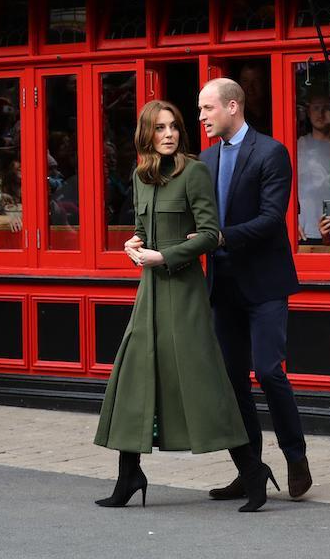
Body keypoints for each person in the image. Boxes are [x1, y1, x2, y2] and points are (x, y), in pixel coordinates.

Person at [96, 100, 274, 512]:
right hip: (150, 294)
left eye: (174, 126)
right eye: (160, 128)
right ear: (147, 135)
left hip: (186, 293)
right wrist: (133, 246)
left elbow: (211, 235)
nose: (170, 134)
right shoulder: (140, 176)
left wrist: (167, 255)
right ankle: (128, 475)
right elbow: (142, 231)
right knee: (135, 380)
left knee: (205, 383)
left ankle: (252, 471)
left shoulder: (194, 172)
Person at [198, 78, 312, 500]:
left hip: (264, 285)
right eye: (200, 109)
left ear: (233, 106)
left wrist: (220, 238)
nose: (202, 117)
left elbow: (270, 219)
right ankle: (250, 470)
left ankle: (295, 456)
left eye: (208, 109)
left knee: (267, 370)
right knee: (232, 383)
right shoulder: (205, 161)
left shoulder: (270, 152)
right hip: (222, 288)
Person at [296, 91, 330, 241]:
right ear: (308, 111)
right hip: (304, 229)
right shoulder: (298, 146)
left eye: (326, 108)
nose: (321, 113)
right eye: (316, 108)